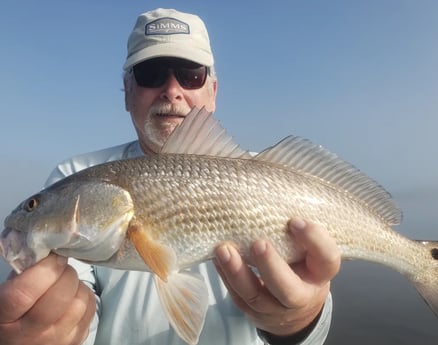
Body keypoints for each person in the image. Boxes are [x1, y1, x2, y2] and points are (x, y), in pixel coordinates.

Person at [0, 8, 340, 345]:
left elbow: (307, 323)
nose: (172, 90)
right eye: (151, 73)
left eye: (191, 75)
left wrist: (302, 321)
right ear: (127, 91)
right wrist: (51, 331)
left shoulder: (272, 178)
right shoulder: (74, 176)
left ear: (214, 91)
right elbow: (77, 305)